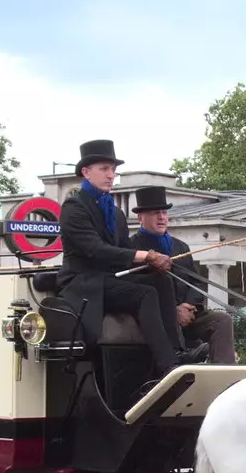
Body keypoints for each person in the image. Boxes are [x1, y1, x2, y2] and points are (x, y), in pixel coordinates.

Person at [57, 139, 208, 377]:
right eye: (104, 169)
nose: (111, 175)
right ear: (86, 172)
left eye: (113, 170)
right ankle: (167, 365)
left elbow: (124, 252)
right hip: (84, 283)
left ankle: (178, 351)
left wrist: (155, 264)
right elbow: (96, 249)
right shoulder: (73, 208)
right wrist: (146, 255)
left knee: (160, 280)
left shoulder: (115, 212)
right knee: (145, 293)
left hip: (110, 280)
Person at [127, 186, 235, 364]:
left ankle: (224, 375)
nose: (162, 217)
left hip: (188, 316)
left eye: (164, 212)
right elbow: (136, 284)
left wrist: (188, 305)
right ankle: (178, 359)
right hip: (158, 320)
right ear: (140, 217)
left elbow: (197, 282)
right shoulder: (133, 248)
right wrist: (173, 310)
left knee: (222, 320)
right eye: (155, 213)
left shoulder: (181, 247)